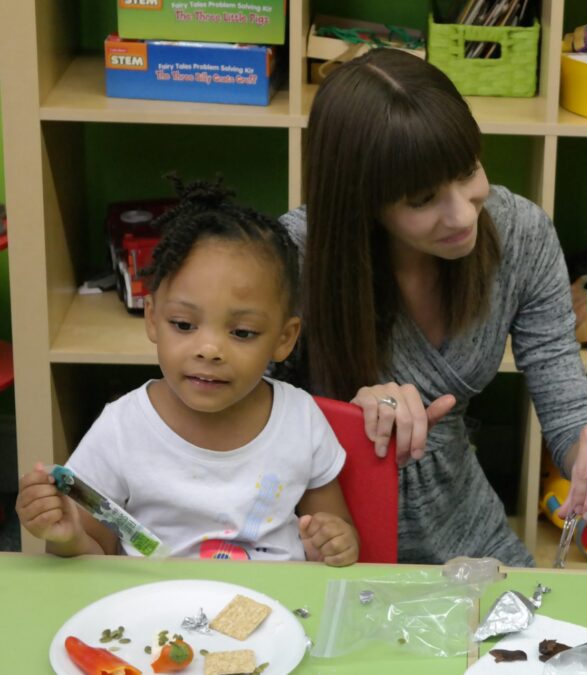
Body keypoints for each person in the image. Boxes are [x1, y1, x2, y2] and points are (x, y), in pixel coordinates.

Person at [280, 49, 587, 566]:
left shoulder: (521, 233)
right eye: (422, 199)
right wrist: (340, 419)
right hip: (318, 543)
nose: (462, 213)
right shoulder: (293, 253)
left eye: (469, 170)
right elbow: (237, 413)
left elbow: (566, 414)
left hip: (466, 532)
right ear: (361, 200)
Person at [15, 177, 359, 566]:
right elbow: (95, 555)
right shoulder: (122, 429)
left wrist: (334, 543)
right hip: (157, 617)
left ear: (285, 337)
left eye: (242, 332)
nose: (209, 350)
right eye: (183, 325)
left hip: (273, 615)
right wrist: (65, 536)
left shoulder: (301, 419)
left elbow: (332, 528)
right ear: (152, 318)